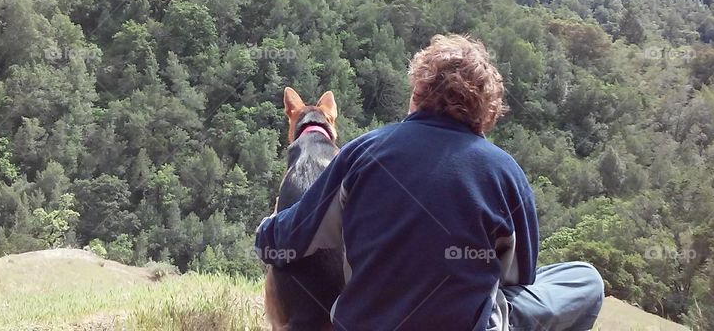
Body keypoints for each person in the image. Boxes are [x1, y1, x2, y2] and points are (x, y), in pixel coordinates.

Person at [255, 34, 604, 330]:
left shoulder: (361, 154)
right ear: (487, 112)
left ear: (417, 92)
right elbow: (517, 279)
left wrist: (266, 231)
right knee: (583, 280)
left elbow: (287, 236)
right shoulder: (506, 174)